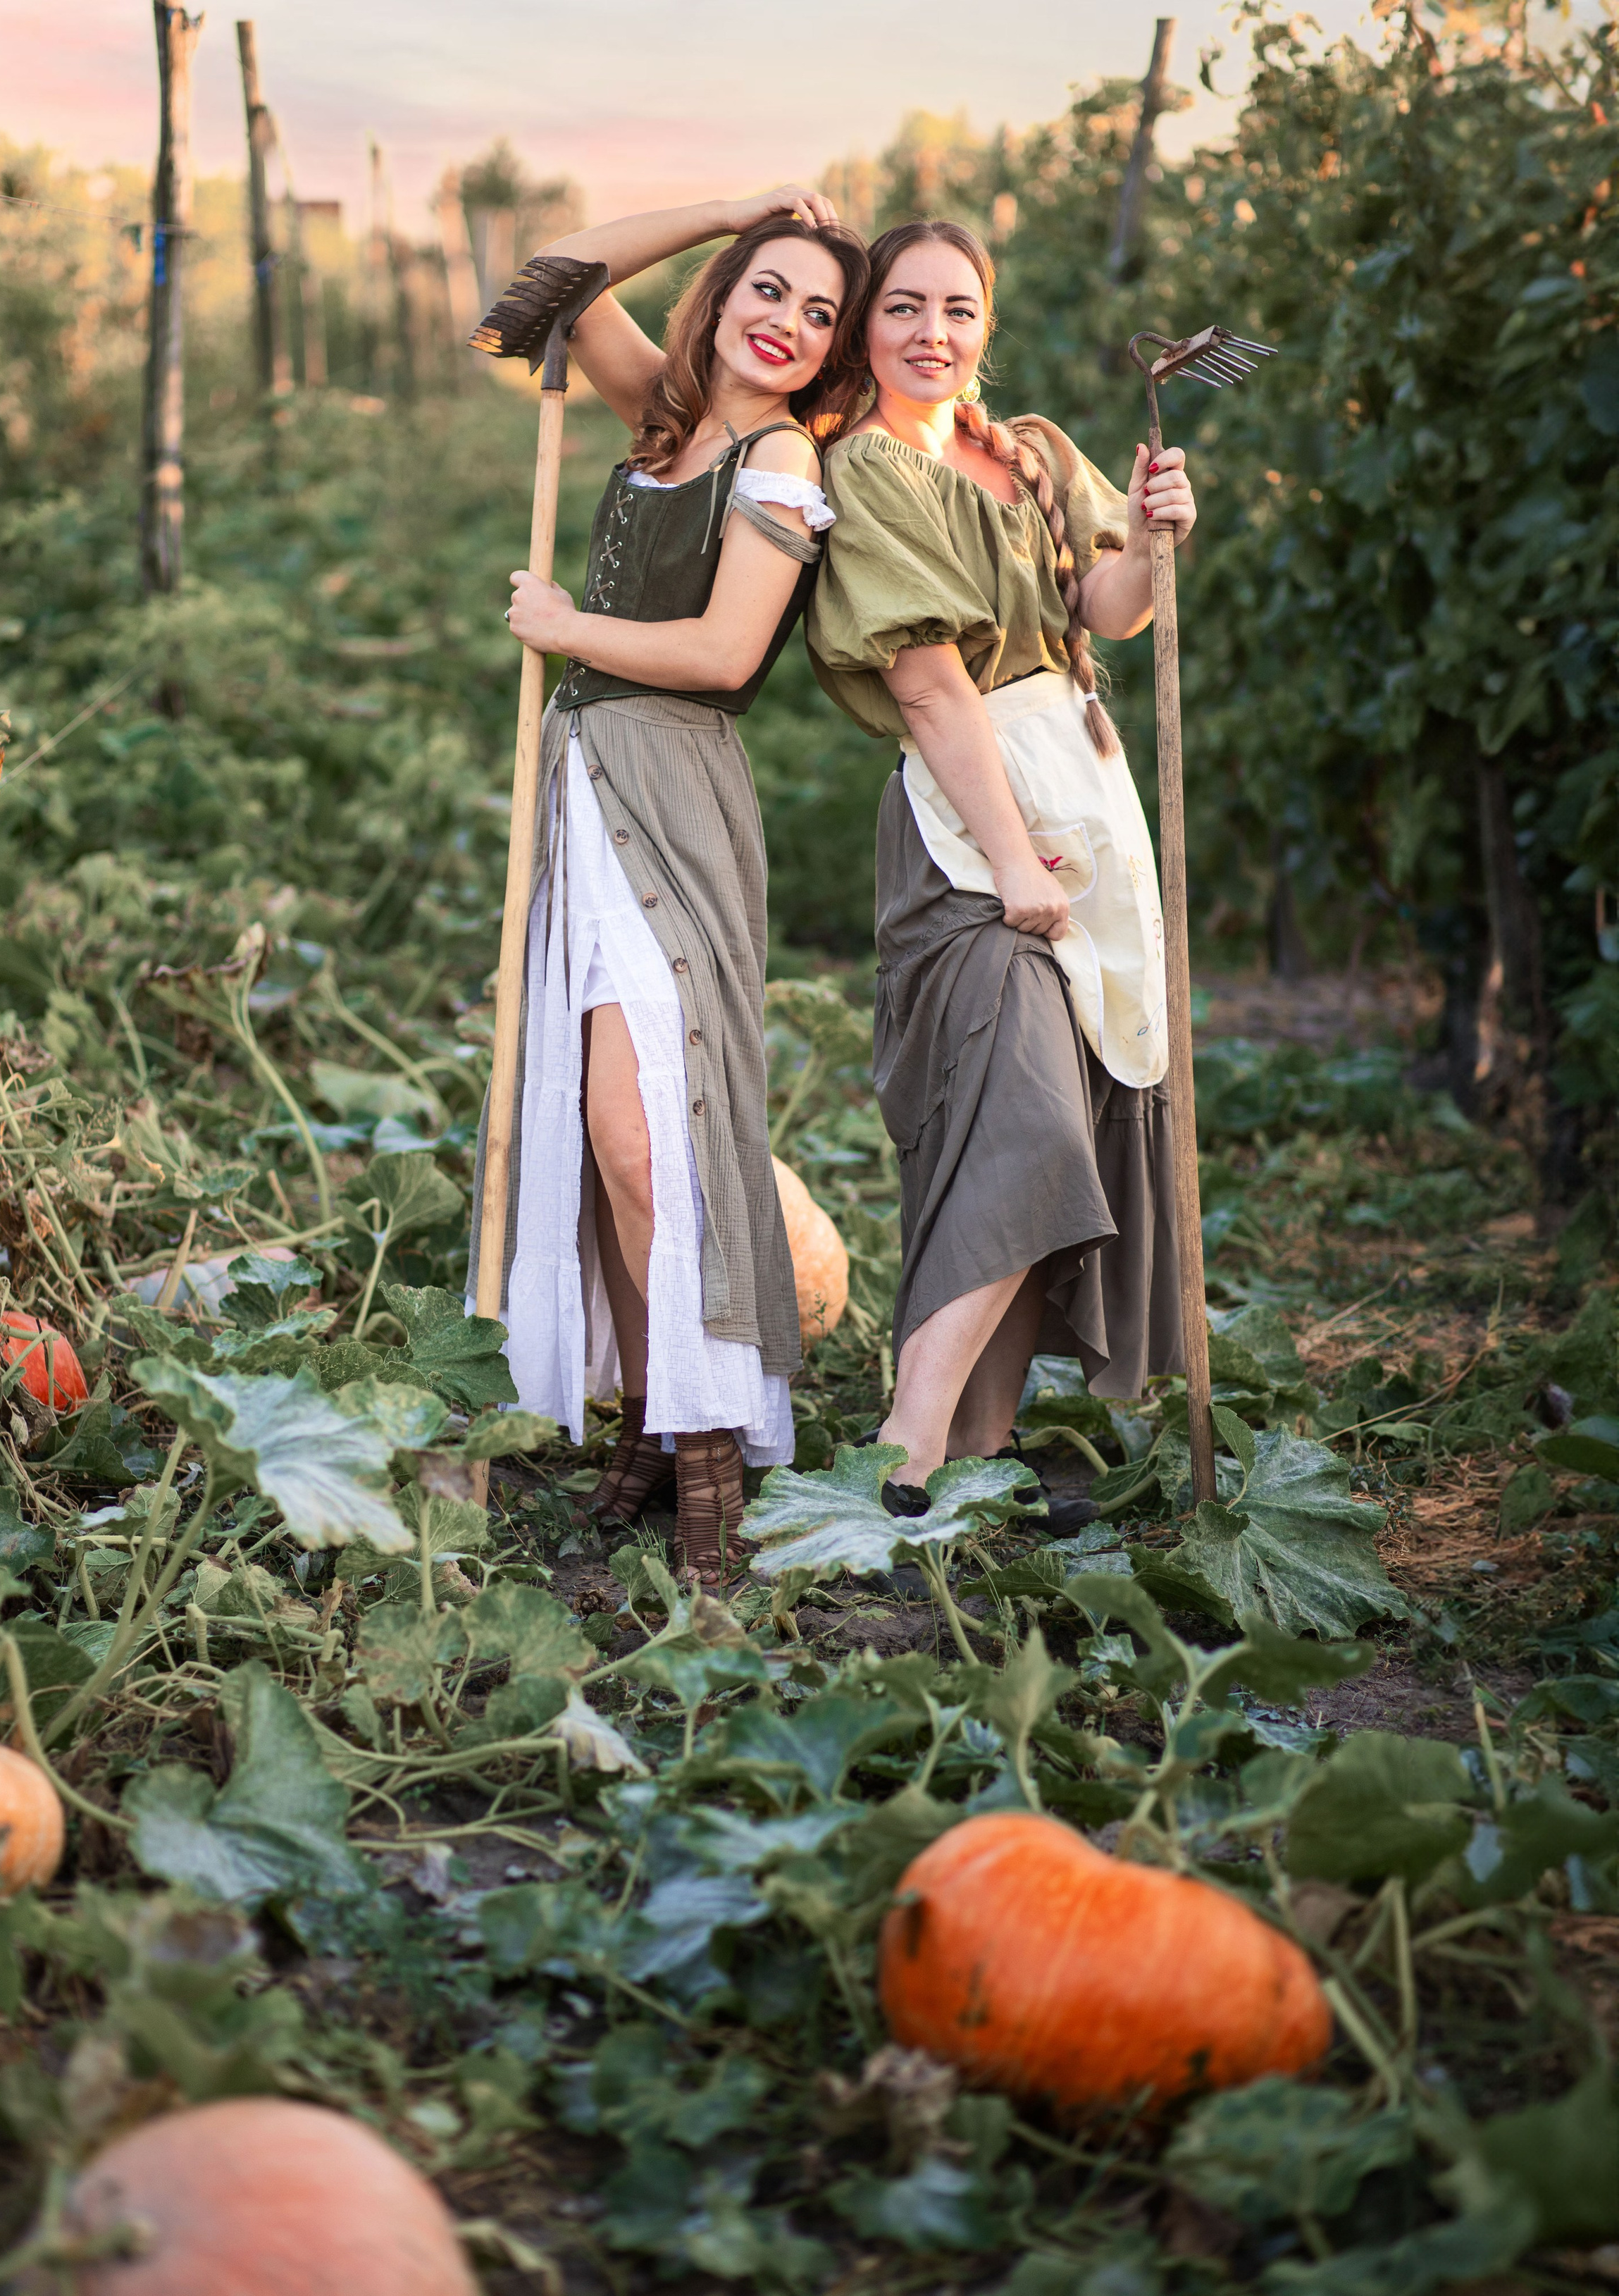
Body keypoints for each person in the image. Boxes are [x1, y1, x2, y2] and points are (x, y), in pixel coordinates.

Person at [470, 188, 869, 1581]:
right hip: (584, 782)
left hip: (674, 791)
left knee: (650, 1132)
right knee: (599, 1132)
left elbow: (722, 653)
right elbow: (555, 275)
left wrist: (567, 624)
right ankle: (649, 1416)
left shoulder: (778, 458)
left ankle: (710, 1440)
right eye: (768, 287)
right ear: (724, 291)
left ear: (832, 352)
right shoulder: (665, 416)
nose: (787, 324)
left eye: (819, 313)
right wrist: (738, 204)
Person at [804, 218, 1197, 1516]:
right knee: (1019, 1111)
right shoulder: (867, 469)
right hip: (970, 820)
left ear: (988, 324)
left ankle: (981, 1443)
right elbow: (928, 686)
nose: (934, 333)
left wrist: (1152, 538)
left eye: (959, 309)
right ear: (867, 328)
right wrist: (1014, 860)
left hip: (1080, 794)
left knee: (1060, 1100)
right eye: (904, 307)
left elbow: (1104, 614)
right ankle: (907, 1450)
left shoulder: (1027, 450)